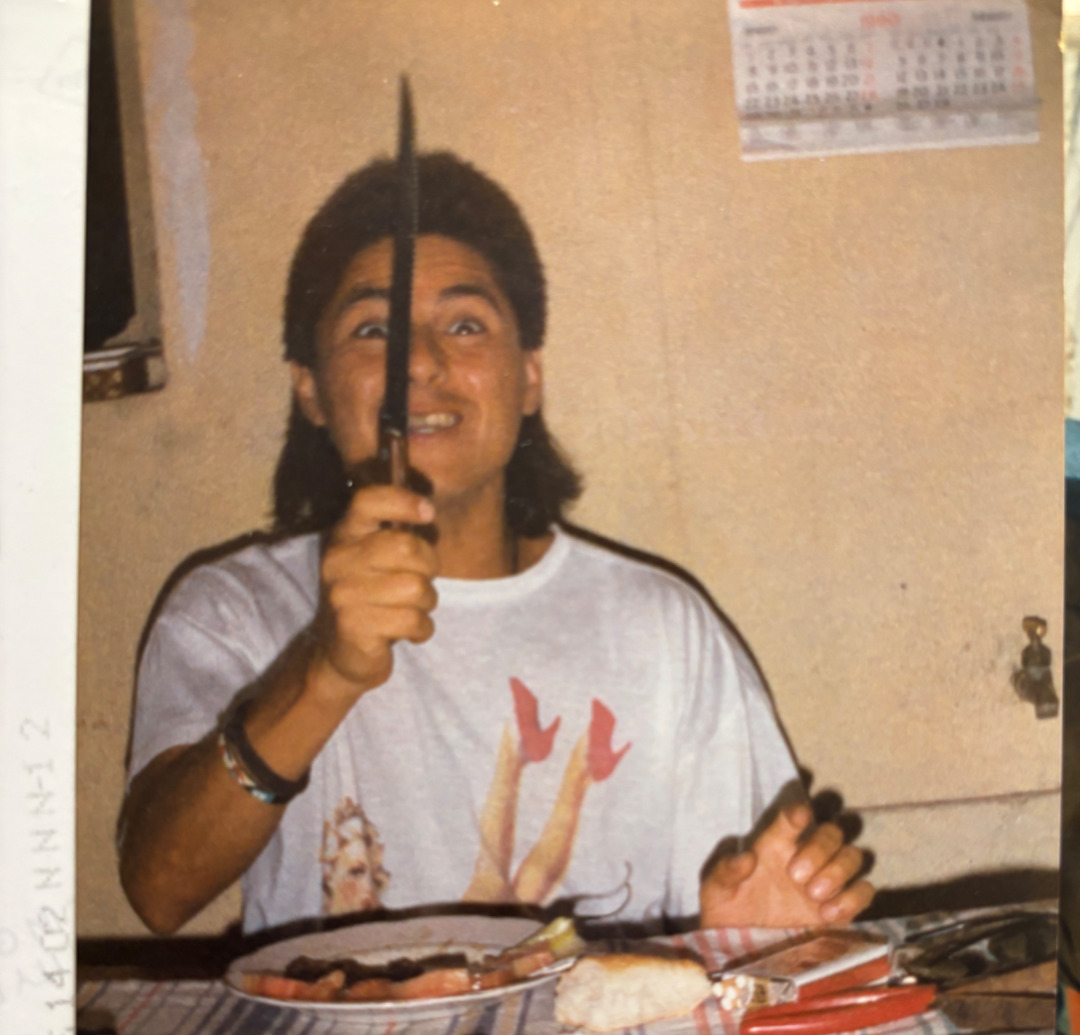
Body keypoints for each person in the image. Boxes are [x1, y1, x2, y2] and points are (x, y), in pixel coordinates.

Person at [119, 153, 873, 936]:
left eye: (465, 325)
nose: (420, 362)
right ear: (309, 387)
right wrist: (325, 672)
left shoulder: (661, 626)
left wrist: (751, 938)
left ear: (529, 377)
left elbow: (763, 932)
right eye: (372, 329)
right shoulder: (230, 609)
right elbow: (158, 890)